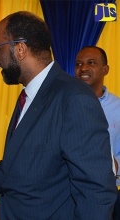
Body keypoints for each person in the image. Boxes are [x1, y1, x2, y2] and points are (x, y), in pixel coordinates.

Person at [0, 11, 117, 219]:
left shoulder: (74, 99)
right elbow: (18, 165)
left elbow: (96, 191)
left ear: (20, 49)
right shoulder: (29, 96)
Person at [74, 46, 120, 219]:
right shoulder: (62, 104)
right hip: (67, 194)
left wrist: (116, 164)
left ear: (105, 69)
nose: (83, 68)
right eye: (79, 64)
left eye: (91, 63)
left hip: (107, 197)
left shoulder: (118, 109)